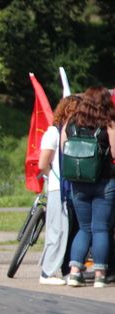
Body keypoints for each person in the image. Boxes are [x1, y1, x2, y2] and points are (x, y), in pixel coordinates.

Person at [62, 86, 115, 288]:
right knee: (100, 228)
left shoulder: (71, 122)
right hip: (104, 182)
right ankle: (100, 275)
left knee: (84, 228)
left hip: (78, 182)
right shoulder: (108, 124)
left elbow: (64, 148)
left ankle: (75, 272)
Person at [36, 95, 81, 285]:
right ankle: (47, 272)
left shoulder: (68, 132)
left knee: (68, 230)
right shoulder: (53, 133)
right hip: (58, 188)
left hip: (67, 188)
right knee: (57, 230)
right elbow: (42, 164)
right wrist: (54, 178)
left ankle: (63, 269)